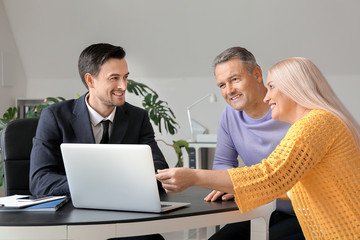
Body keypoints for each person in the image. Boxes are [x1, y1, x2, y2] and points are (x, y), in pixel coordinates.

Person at [156, 57, 360, 239]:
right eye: (222, 84)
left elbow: (272, 176)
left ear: (294, 87)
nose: (266, 96)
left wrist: (194, 177)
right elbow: (288, 185)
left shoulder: (315, 123)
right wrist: (240, 186)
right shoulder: (319, 121)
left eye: (271, 87)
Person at [30, 43, 169, 240]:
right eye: (114, 78)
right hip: (71, 220)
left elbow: (158, 169)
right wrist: (95, 184)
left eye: (125, 77)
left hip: (125, 220)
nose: (123, 86)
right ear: (90, 81)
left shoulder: (137, 118)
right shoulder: (55, 116)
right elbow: (40, 181)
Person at [206, 46, 304, 239]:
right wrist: (231, 183)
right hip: (263, 210)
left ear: (257, 74)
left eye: (235, 79)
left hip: (304, 213)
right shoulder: (229, 115)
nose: (229, 90)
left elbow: (278, 174)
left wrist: (241, 183)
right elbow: (222, 163)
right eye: (222, 85)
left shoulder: (291, 109)